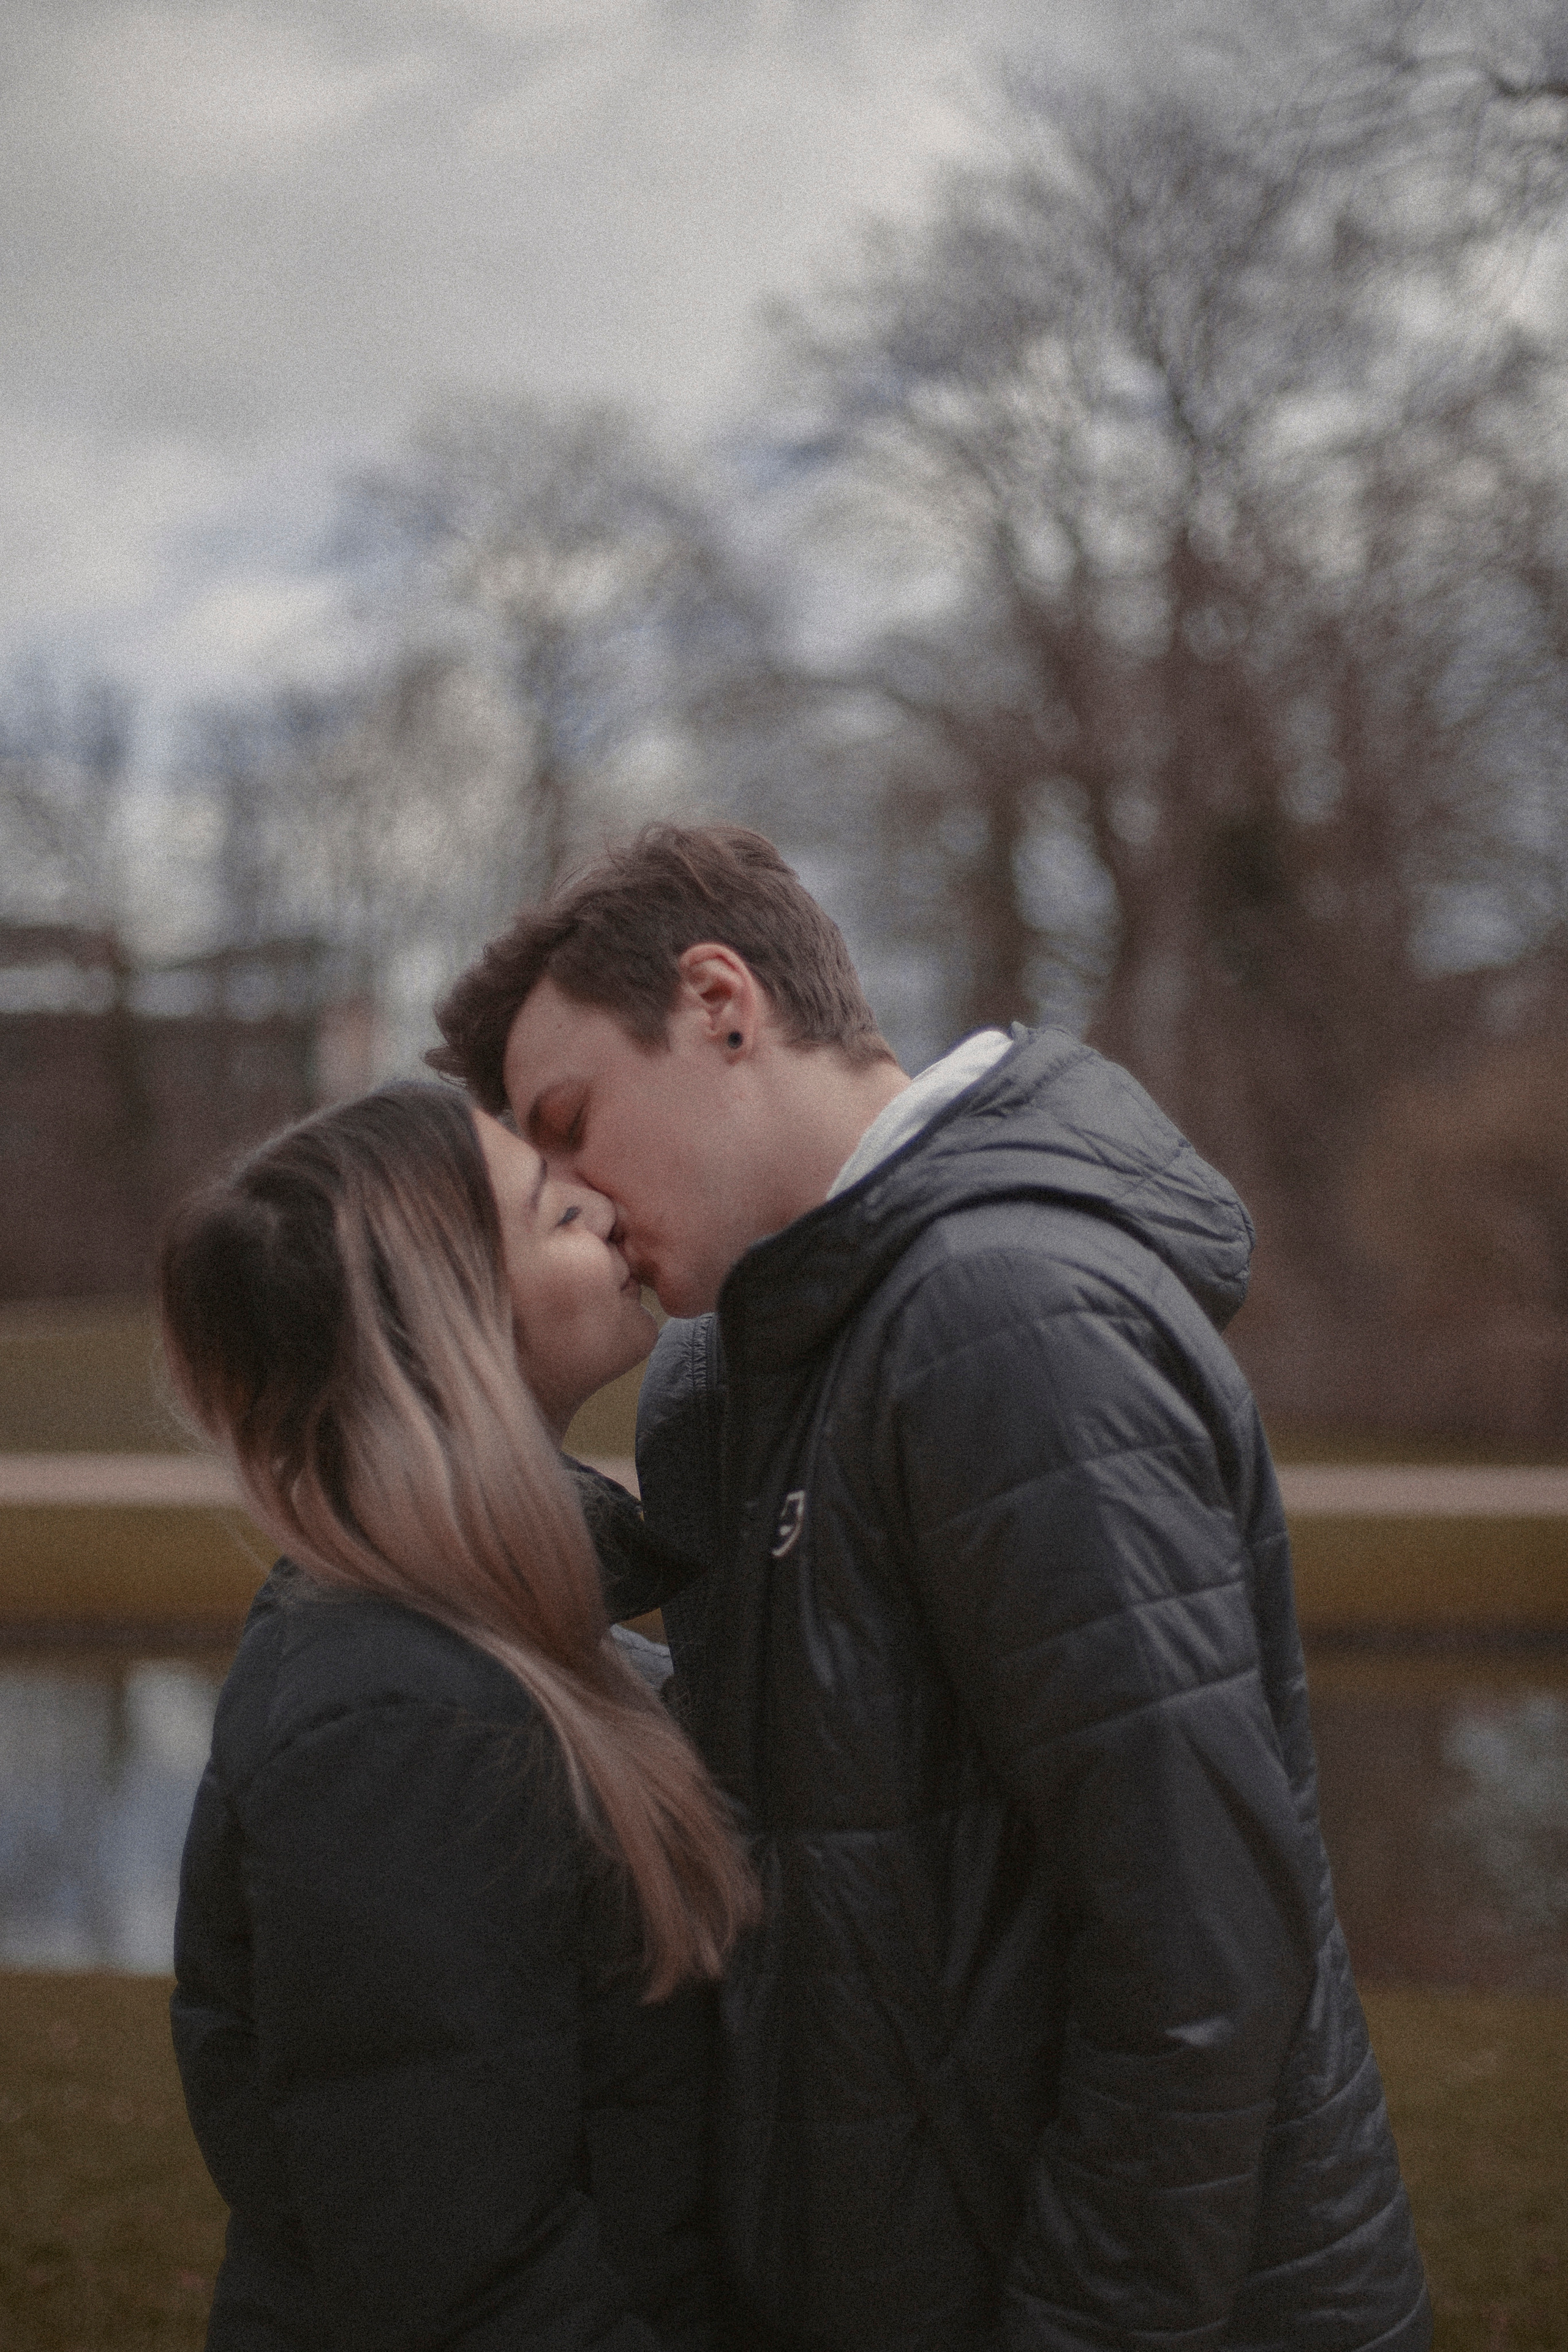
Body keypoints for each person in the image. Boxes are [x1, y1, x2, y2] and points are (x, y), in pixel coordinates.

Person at [431, 824, 1433, 2352]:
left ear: (720, 1005)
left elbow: (1199, 1962)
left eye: (570, 1123)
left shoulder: (1002, 1317)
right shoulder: (733, 1364)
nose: (566, 1199)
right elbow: (793, 1764)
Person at [160, 1079, 758, 2352]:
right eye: (553, 1209)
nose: (604, 1206)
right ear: (454, 1326)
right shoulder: (398, 1722)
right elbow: (466, 2291)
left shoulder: (500, 1650)